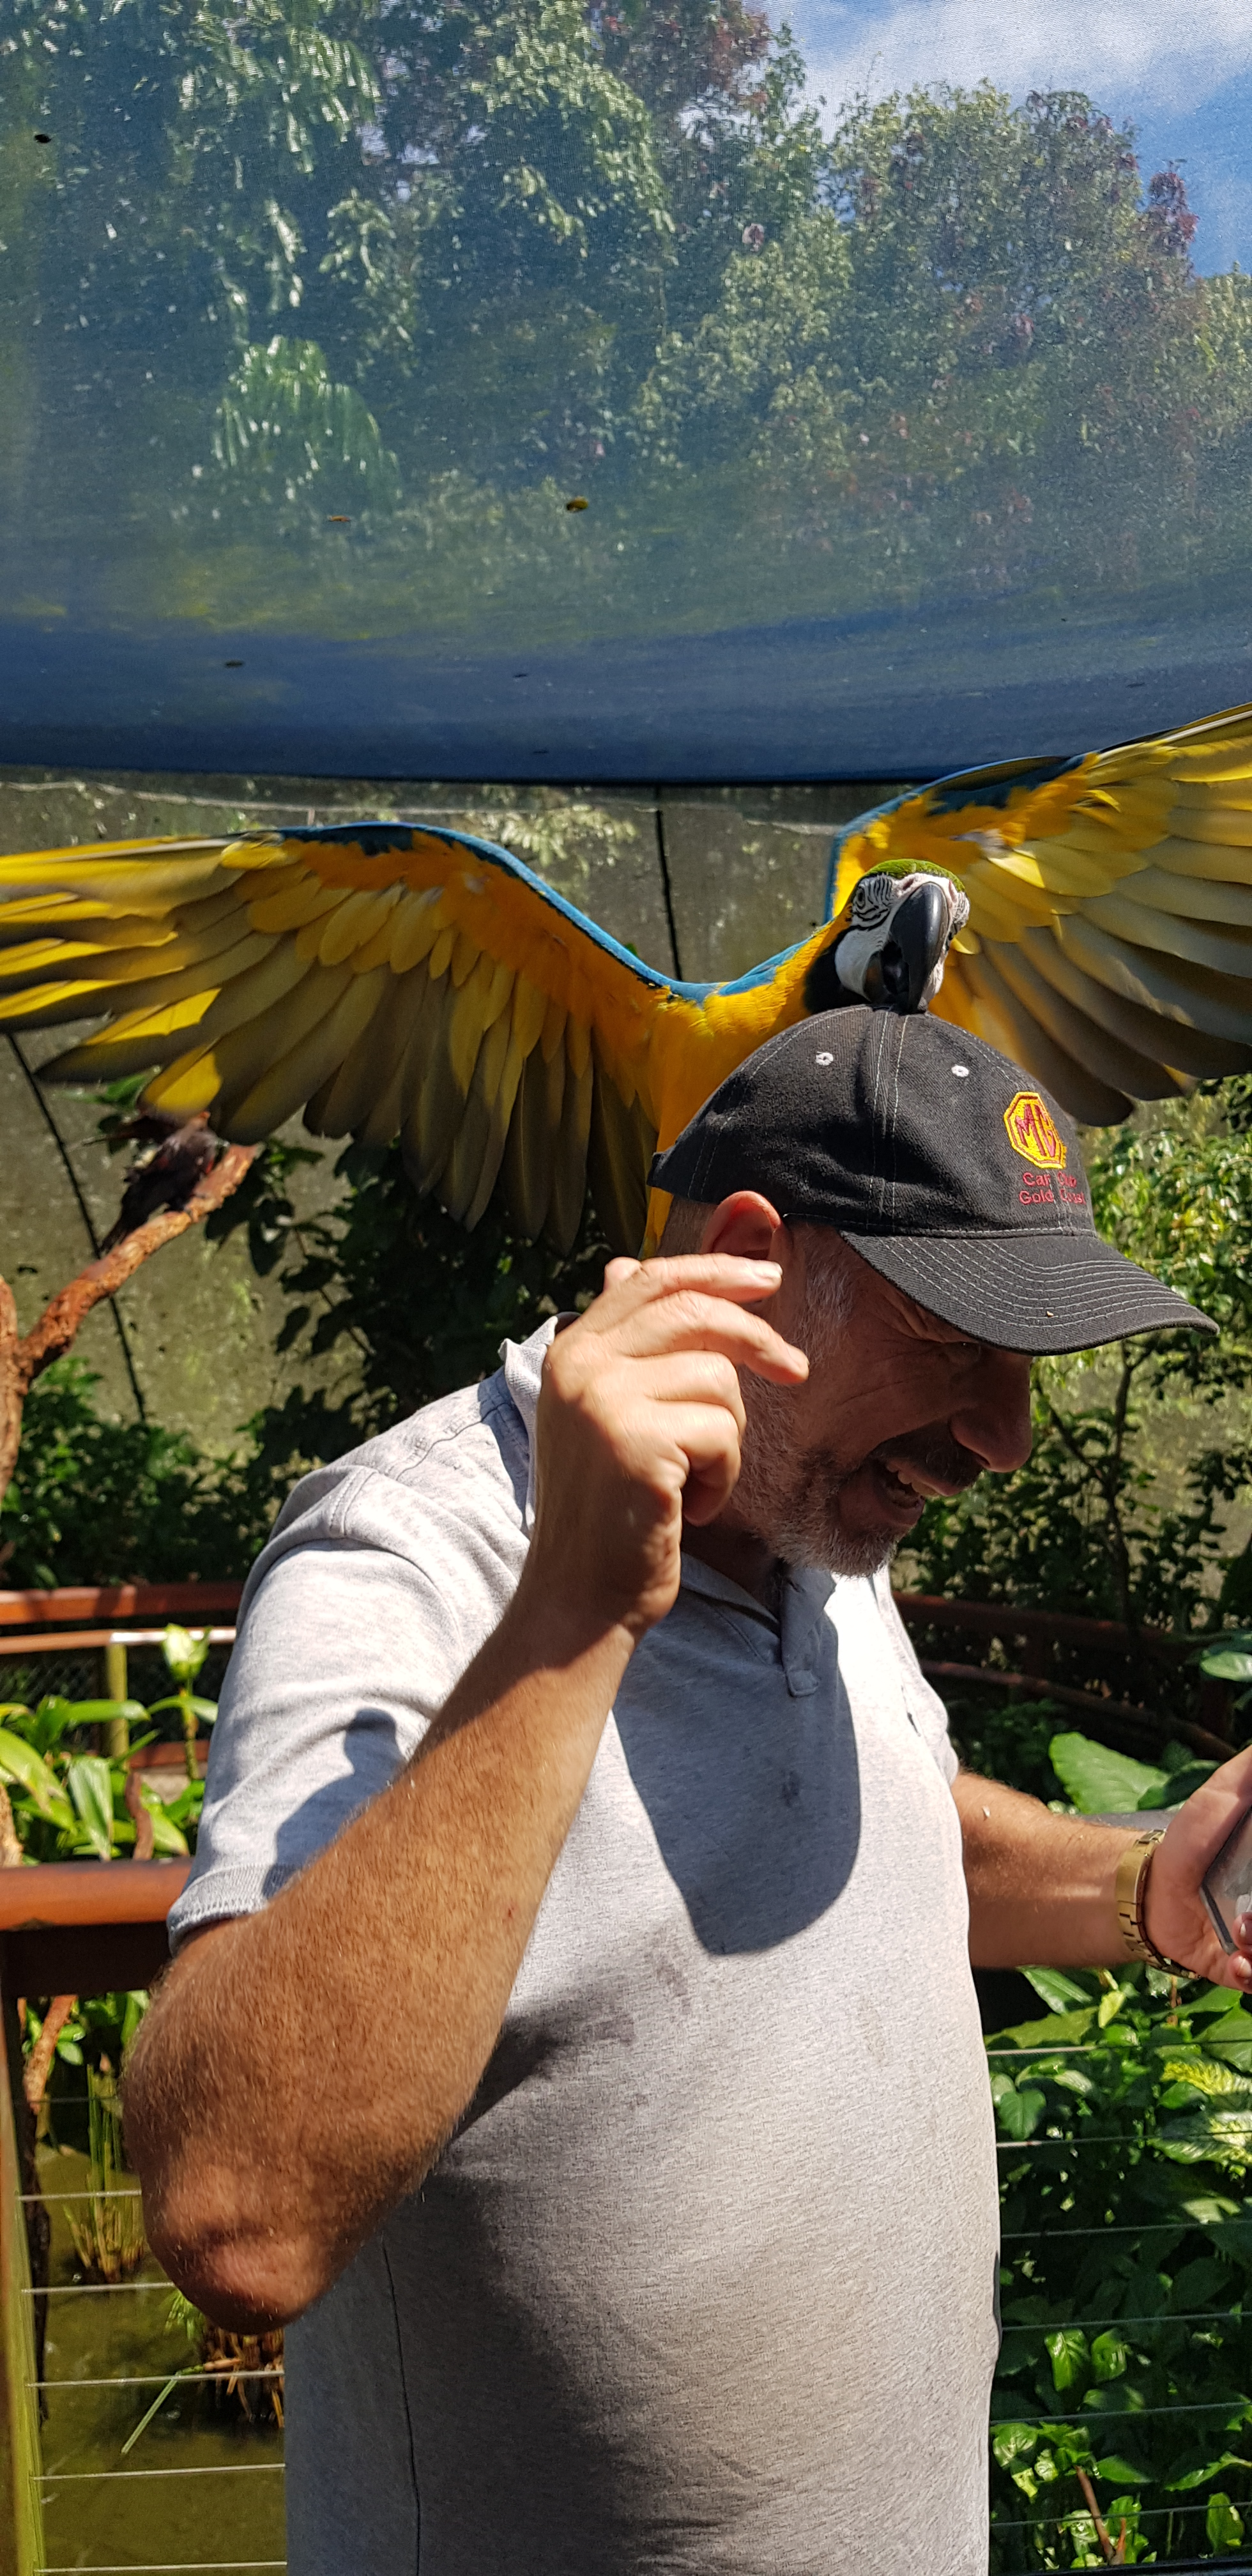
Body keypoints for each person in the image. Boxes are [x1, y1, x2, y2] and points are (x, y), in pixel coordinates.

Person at [125, 1006, 1252, 2576]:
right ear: (745, 1267)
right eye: (955, 1344)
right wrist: (580, 1604)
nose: (1001, 1438)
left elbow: (874, 1825)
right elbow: (238, 2211)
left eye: (1024, 1365)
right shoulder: (409, 1556)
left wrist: (1133, 1884)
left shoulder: (805, 1510)